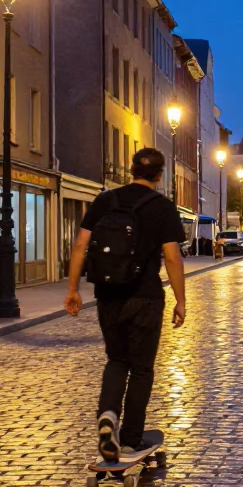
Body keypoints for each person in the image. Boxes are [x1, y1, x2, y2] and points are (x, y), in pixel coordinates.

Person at [64, 148, 188, 462]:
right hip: (145, 297)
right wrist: (181, 300)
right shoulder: (162, 208)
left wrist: (73, 289)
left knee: (117, 360)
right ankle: (131, 439)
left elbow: (81, 245)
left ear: (130, 169)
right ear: (160, 175)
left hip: (108, 295)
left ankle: (107, 416)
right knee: (142, 369)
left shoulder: (105, 201)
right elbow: (172, 258)